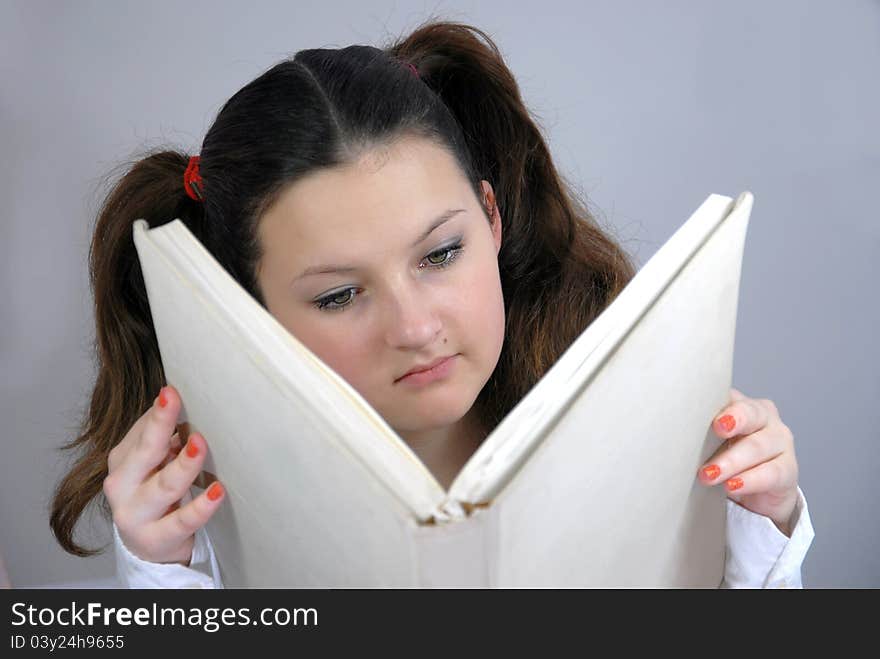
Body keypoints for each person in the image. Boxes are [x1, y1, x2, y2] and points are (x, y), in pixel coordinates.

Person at [51, 19, 814, 588]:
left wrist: (761, 525)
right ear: (248, 307)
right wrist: (159, 572)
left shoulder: (658, 428)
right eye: (340, 294)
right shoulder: (199, 529)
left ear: (491, 216)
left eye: (441, 254)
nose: (416, 328)